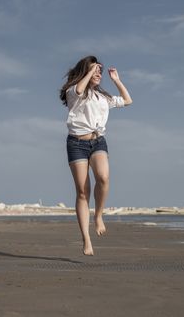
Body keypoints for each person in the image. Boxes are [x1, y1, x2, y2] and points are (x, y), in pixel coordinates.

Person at [59, 55, 132, 255]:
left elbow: (127, 100)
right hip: (76, 144)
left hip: (98, 141)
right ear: (86, 72)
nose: (98, 73)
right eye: (95, 70)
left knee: (103, 177)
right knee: (83, 192)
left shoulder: (103, 98)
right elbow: (81, 89)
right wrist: (91, 70)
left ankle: (98, 215)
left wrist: (116, 80)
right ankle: (86, 239)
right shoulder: (73, 92)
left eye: (99, 71)